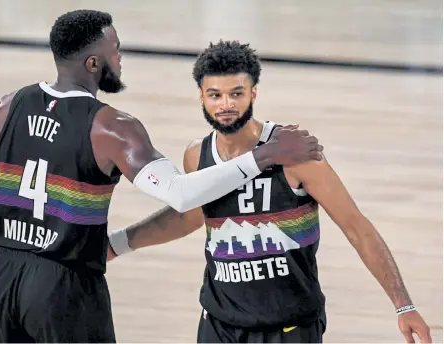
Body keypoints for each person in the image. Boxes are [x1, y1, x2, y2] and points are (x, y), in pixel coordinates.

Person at [0, 11, 324, 343]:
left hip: (2, 273)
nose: (121, 58)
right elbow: (179, 194)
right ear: (94, 63)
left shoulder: (8, 106)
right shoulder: (112, 128)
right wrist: (264, 156)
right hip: (63, 283)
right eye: (115, 50)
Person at [106, 40, 433, 343]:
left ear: (254, 93)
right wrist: (117, 244)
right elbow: (188, 216)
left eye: (236, 93)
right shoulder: (197, 154)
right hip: (219, 323)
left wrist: (402, 304)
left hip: (289, 326)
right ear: (201, 97)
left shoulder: (294, 152)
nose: (226, 104)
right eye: (215, 95)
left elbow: (355, 226)